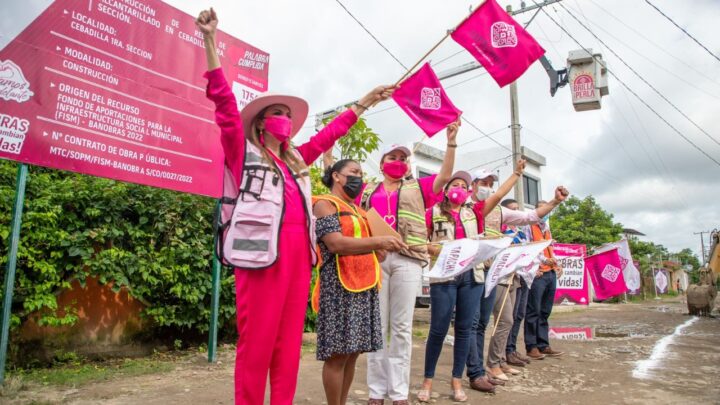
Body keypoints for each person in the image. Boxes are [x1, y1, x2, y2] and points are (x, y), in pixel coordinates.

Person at [197, 9, 395, 404]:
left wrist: (362, 104)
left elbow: (329, 136)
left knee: (287, 348)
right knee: (256, 347)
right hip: (259, 258)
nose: (284, 119)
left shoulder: (297, 162)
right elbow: (223, 106)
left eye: (288, 115)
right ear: (260, 123)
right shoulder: (243, 152)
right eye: (277, 114)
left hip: (298, 259)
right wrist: (209, 41)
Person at [362, 122, 459, 405]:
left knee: (402, 327)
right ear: (381, 164)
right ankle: (376, 392)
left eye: (404, 158)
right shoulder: (368, 190)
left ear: (408, 165)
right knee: (376, 325)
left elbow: (445, 176)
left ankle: (399, 393)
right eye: (393, 157)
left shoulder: (419, 187)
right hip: (375, 258)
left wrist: (451, 142)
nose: (399, 162)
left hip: (408, 259)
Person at [313, 159, 407, 405]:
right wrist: (378, 243)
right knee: (337, 356)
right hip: (338, 288)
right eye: (353, 172)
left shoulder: (361, 212)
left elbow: (375, 251)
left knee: (353, 354)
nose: (358, 177)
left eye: (361, 173)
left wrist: (383, 247)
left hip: (363, 287)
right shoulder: (325, 204)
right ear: (336, 176)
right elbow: (335, 244)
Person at [484, 188, 569, 381]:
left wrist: (547, 262)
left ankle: (502, 359)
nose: (516, 213)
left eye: (517, 210)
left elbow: (529, 251)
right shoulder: (509, 229)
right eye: (512, 210)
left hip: (519, 277)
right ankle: (493, 363)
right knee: (504, 320)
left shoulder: (527, 231)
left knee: (514, 318)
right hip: (502, 277)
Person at [418, 171, 479, 402]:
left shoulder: (473, 214)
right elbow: (424, 243)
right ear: (445, 189)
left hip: (471, 277)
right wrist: (445, 251)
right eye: (455, 184)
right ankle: (428, 380)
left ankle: (456, 381)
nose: (460, 188)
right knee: (438, 330)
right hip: (444, 277)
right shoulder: (432, 212)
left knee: (464, 330)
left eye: (464, 186)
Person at [525, 200, 565, 360]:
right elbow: (528, 249)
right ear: (536, 210)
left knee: (545, 312)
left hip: (550, 273)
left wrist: (557, 264)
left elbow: (550, 250)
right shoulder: (529, 226)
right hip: (538, 274)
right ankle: (531, 346)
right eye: (543, 209)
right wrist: (539, 264)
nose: (546, 212)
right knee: (533, 311)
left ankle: (543, 344)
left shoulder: (547, 228)